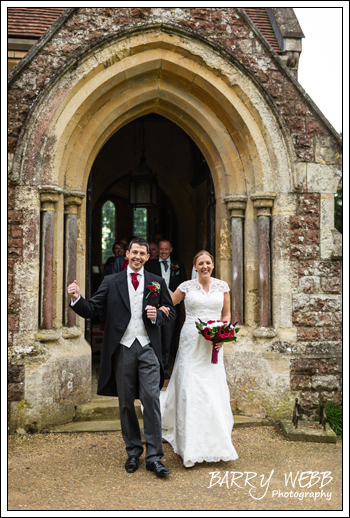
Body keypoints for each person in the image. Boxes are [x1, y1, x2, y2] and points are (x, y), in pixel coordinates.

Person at [67, 238, 176, 478]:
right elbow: (93, 309)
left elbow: (171, 313)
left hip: (148, 348)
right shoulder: (111, 281)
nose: (138, 257)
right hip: (123, 347)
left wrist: (158, 314)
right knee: (126, 403)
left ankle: (154, 457)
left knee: (151, 400)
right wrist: (76, 298)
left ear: (148, 257)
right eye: (134, 252)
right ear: (127, 254)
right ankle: (133, 451)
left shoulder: (157, 282)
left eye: (142, 253)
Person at [159, 250, 239, 468]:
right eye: (200, 263)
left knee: (212, 386)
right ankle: (188, 443)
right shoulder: (186, 286)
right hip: (190, 342)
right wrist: (153, 313)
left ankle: (217, 439)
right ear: (195, 267)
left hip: (213, 342)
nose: (205, 266)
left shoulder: (222, 286)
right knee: (190, 385)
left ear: (213, 265)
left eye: (208, 262)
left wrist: (223, 332)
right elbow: (168, 304)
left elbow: (226, 314)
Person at [145, 240, 187, 378]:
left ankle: (163, 371)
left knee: (167, 340)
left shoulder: (179, 266)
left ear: (171, 249)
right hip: (155, 309)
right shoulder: (150, 265)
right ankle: (154, 369)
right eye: (161, 249)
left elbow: (184, 285)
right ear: (158, 250)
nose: (163, 251)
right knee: (154, 338)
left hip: (171, 309)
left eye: (166, 249)